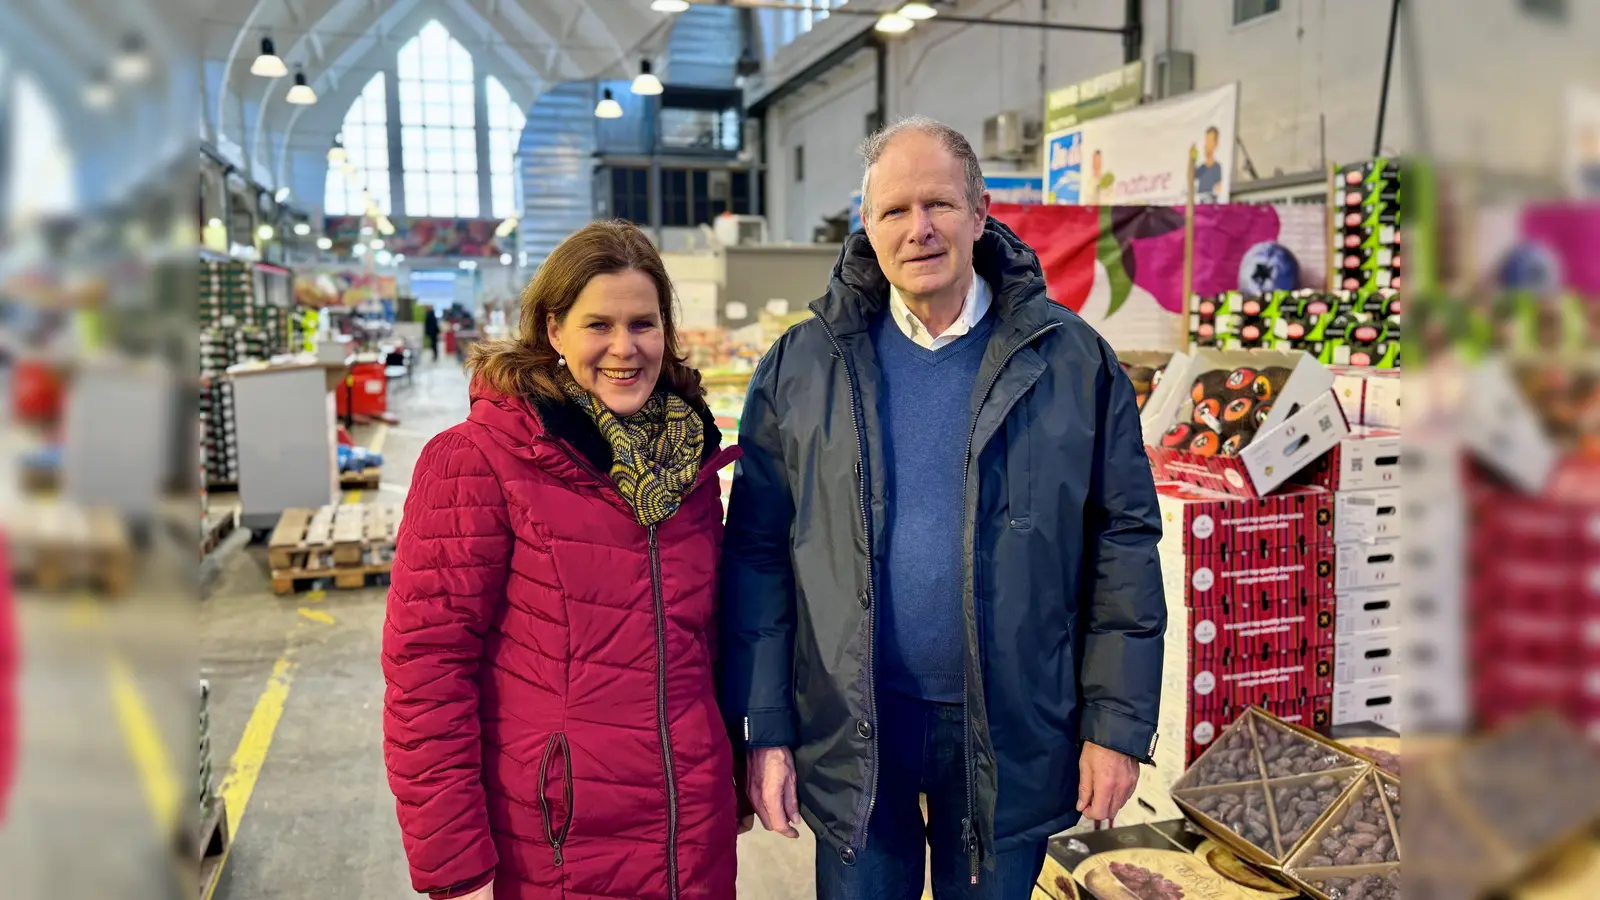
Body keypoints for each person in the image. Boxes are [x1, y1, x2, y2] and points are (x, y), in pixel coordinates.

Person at [719, 116, 1166, 900]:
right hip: (854, 723)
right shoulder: (803, 365)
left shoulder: (1070, 361)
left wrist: (1115, 727)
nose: (918, 228)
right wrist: (766, 729)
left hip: (1012, 725)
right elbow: (757, 555)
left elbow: (1122, 545)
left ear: (982, 213)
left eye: (940, 205)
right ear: (867, 225)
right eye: (895, 210)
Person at [383, 220, 745, 900]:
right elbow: (426, 669)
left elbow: (710, 642)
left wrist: (738, 768)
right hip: (560, 841)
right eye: (597, 325)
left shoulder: (689, 464)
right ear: (553, 330)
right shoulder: (477, 461)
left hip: (690, 825)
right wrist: (453, 863)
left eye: (643, 324)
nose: (623, 348)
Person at [1195, 126, 1223, 202]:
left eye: (1210, 141)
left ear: (1215, 145)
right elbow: (1191, 179)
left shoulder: (1217, 168)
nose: (1207, 145)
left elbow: (1218, 190)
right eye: (1206, 141)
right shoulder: (1201, 168)